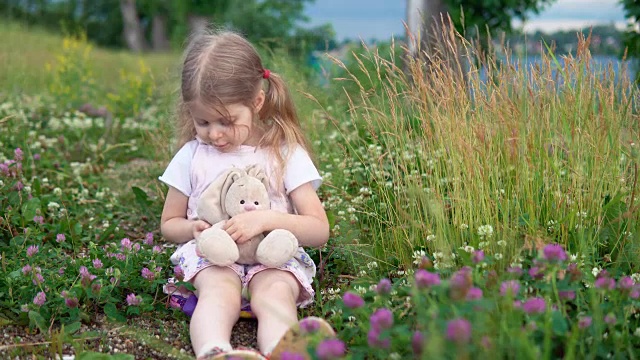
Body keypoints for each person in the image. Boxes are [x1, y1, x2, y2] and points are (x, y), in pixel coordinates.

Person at [159, 29, 331, 360]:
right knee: (217, 292)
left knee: (275, 294)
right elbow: (169, 222)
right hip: (215, 259)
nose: (215, 133)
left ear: (257, 102)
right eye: (203, 122)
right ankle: (214, 351)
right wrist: (192, 229)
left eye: (226, 121)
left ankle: (283, 352)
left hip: (271, 259)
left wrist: (267, 220)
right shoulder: (192, 156)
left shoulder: (284, 153)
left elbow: (319, 229)